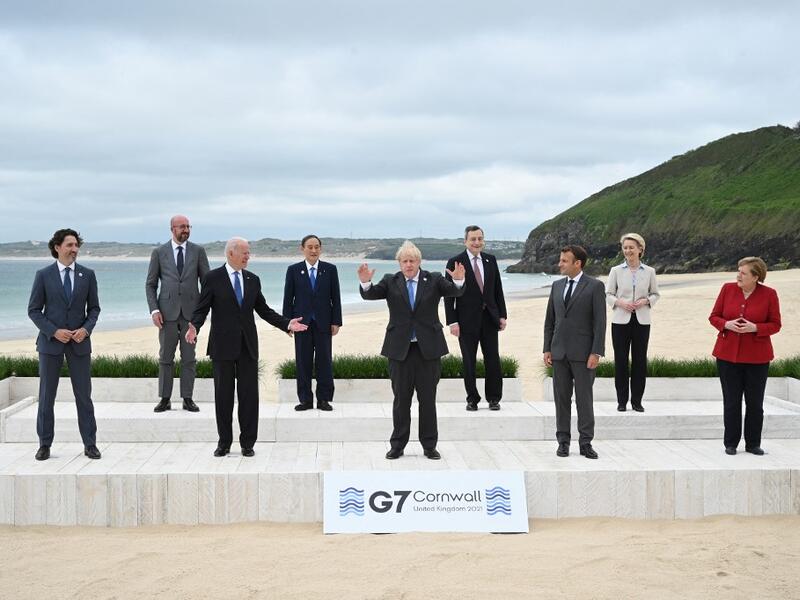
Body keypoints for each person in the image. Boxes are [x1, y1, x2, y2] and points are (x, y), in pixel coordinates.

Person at [186, 237, 307, 457]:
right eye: (244, 252)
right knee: (223, 397)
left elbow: (264, 310)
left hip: (248, 346)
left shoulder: (253, 279)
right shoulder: (213, 278)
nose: (248, 256)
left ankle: (247, 443)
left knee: (249, 397)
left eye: (249, 253)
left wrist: (286, 323)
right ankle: (224, 442)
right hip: (222, 346)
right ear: (230, 253)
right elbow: (201, 309)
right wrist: (194, 326)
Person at [358, 241, 465, 460]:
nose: (408, 265)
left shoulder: (434, 279)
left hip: (428, 350)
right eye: (404, 261)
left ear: (419, 262)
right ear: (399, 263)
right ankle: (397, 445)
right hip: (399, 350)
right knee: (401, 401)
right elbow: (371, 295)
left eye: (412, 260)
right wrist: (366, 282)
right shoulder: (391, 281)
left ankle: (429, 446)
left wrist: (458, 279)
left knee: (428, 400)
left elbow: (455, 291)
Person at [27, 228, 101, 461]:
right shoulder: (43, 275)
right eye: (69, 245)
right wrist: (53, 331)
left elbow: (95, 309)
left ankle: (90, 444)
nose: (74, 250)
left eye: (76, 245)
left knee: (84, 397)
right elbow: (34, 311)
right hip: (50, 345)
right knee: (47, 396)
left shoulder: (87, 275)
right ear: (57, 247)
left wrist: (85, 329)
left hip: (79, 345)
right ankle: (44, 444)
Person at [709, 257, 781, 456]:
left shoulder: (769, 294)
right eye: (738, 271)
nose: (738, 275)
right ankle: (730, 444)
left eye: (743, 273)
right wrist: (726, 324)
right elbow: (714, 316)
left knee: (755, 403)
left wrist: (755, 327)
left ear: (756, 276)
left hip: (758, 358)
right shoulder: (727, 289)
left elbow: (776, 324)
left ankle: (753, 444)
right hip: (727, 356)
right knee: (731, 402)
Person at [543, 245, 606, 459]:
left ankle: (586, 442)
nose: (559, 264)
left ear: (577, 263)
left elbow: (600, 323)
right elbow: (550, 321)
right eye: (560, 260)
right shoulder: (556, 286)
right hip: (559, 352)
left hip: (583, 354)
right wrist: (547, 348)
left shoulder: (595, 286)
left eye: (564, 261)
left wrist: (596, 352)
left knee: (584, 400)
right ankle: (563, 442)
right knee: (561, 399)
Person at [145, 214, 210, 413]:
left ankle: (187, 398)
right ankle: (165, 399)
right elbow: (151, 284)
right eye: (182, 227)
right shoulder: (159, 252)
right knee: (165, 357)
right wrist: (154, 309)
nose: (186, 230)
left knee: (189, 358)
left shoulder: (198, 251)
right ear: (172, 229)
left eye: (188, 226)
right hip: (166, 314)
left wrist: (201, 313)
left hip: (191, 315)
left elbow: (206, 283)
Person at [445, 225, 508, 411]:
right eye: (473, 239)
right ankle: (472, 399)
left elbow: (497, 290)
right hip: (466, 321)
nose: (477, 242)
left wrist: (502, 315)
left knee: (493, 360)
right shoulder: (455, 262)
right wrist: (452, 321)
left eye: (480, 238)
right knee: (469, 361)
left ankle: (494, 398)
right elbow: (448, 295)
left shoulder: (490, 260)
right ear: (465, 241)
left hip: (490, 318)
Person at [282, 235, 342, 412]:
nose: (314, 250)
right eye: (310, 247)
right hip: (301, 324)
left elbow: (335, 298)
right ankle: (305, 400)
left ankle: (324, 399)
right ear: (302, 249)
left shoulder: (330, 269)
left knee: (324, 362)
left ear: (320, 249)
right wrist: (287, 323)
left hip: (324, 323)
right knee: (303, 362)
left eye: (317, 247)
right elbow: (288, 299)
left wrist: (336, 321)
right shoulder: (293, 270)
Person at [605, 233, 660, 412]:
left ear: (640, 249)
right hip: (620, 321)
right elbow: (608, 294)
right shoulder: (616, 271)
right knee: (621, 361)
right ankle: (622, 401)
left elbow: (655, 294)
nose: (628, 251)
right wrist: (621, 303)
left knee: (639, 361)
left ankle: (637, 401)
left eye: (631, 247)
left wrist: (645, 301)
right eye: (625, 247)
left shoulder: (650, 271)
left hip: (642, 321)